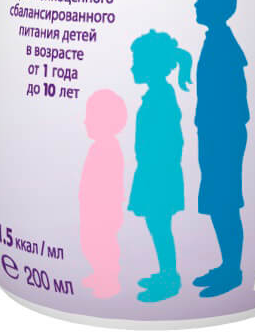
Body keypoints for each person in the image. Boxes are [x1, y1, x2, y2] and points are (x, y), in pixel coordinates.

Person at [192, 0, 249, 297]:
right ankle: (228, 265)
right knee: (219, 203)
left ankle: (232, 271)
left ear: (216, 5)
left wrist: (217, 134)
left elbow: (233, 99)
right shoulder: (217, 40)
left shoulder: (222, 45)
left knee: (225, 203)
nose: (195, 4)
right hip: (217, 135)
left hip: (223, 137)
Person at [127, 29, 193, 302]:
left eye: (136, 61)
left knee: (160, 225)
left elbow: (172, 140)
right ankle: (166, 272)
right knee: (157, 225)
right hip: (154, 171)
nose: (132, 67)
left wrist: (156, 169)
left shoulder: (161, 97)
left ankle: (170, 279)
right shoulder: (157, 94)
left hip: (159, 174)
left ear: (150, 65)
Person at [78, 89, 127, 298]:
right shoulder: (98, 147)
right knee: (90, 243)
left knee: (103, 244)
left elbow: (111, 184)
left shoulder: (109, 149)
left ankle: (109, 281)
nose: (85, 121)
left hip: (104, 211)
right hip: (91, 209)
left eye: (90, 117)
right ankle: (100, 274)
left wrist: (108, 209)